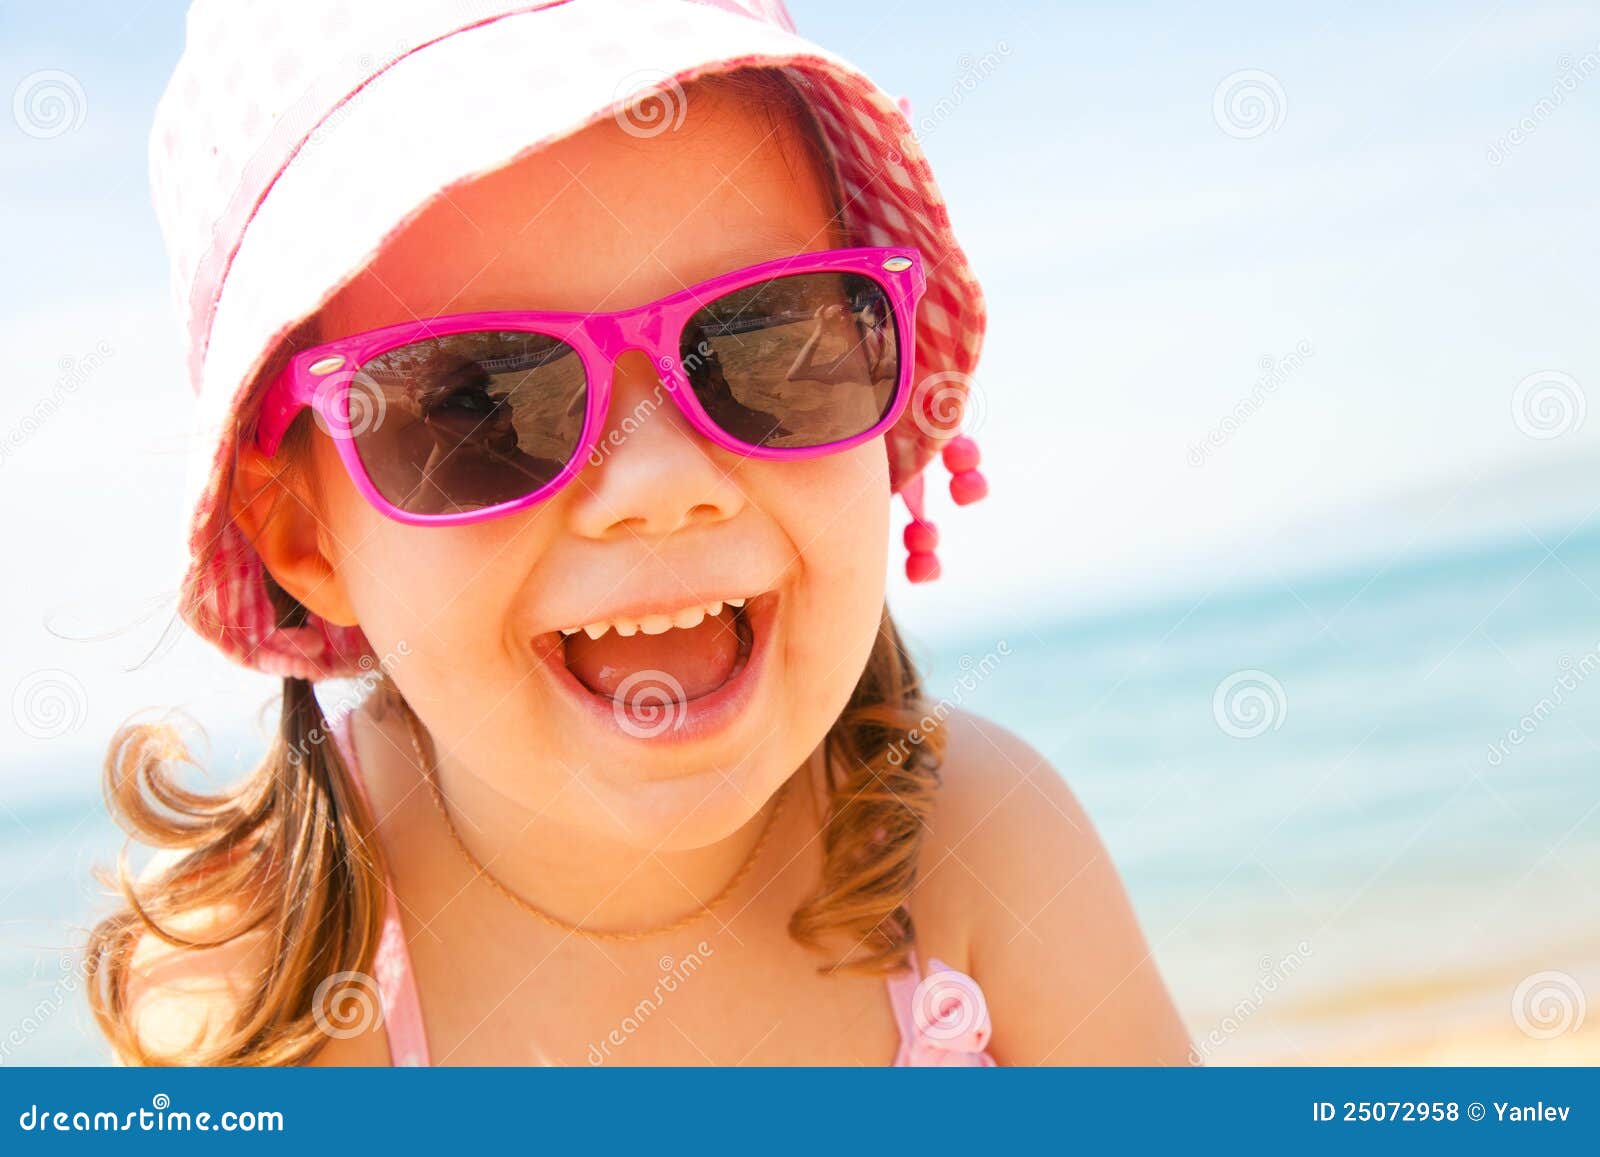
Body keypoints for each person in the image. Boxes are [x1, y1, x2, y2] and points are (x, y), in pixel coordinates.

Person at [88, 0, 1191, 1068]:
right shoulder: (257, 997)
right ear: (303, 532)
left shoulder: (980, 850)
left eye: (762, 347)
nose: (658, 485)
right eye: (481, 405)